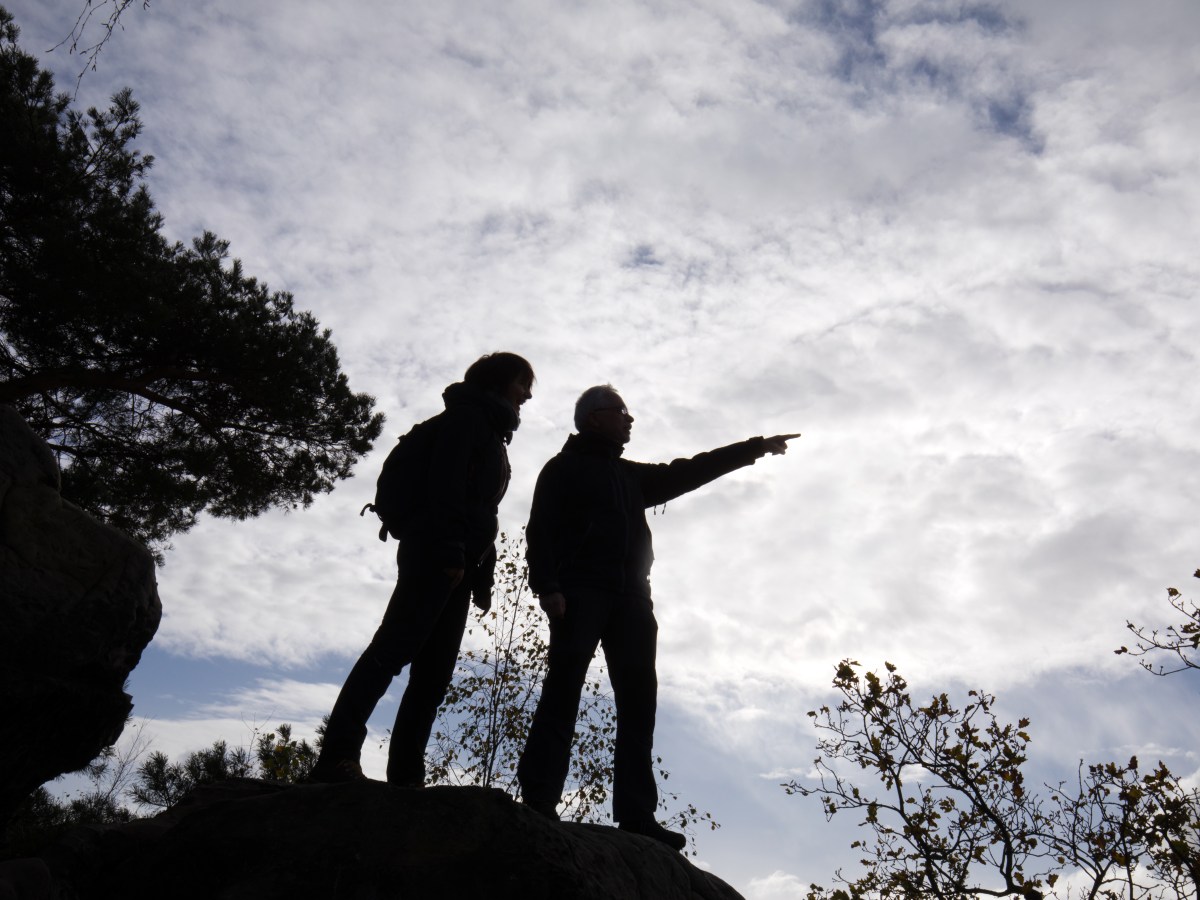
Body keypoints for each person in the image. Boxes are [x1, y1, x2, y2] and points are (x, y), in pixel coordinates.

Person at [516, 384, 798, 850]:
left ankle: (636, 814)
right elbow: (540, 530)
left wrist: (753, 449)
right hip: (580, 593)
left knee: (639, 703)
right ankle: (540, 797)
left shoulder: (630, 476)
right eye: (621, 411)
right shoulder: (563, 468)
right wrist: (547, 587)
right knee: (563, 689)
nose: (630, 419)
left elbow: (688, 471)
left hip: (632, 600)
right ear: (593, 418)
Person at [311, 352, 535, 785]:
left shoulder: (489, 432)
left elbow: (479, 510)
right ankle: (336, 757)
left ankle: (407, 776)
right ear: (499, 382)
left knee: (432, 677)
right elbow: (445, 488)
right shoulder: (466, 421)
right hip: (435, 555)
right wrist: (452, 550)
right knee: (389, 653)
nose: (527, 394)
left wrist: (481, 575)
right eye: (523, 383)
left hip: (458, 565)